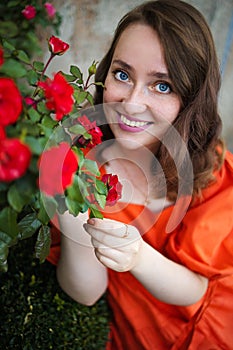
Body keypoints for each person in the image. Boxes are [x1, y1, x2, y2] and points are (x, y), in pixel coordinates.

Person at [47, 0, 233, 349]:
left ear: (190, 97)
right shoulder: (84, 159)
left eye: (162, 85)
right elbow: (86, 293)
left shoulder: (210, 167)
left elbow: (198, 289)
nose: (131, 103)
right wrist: (72, 223)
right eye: (122, 74)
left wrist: (139, 257)